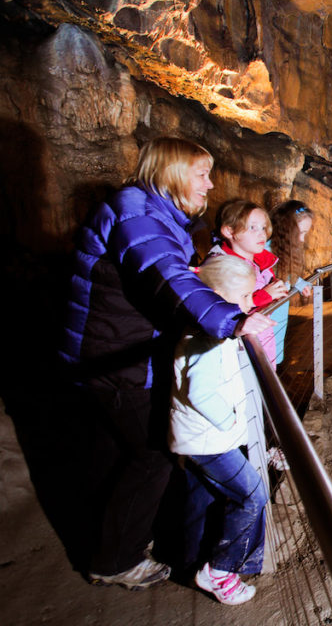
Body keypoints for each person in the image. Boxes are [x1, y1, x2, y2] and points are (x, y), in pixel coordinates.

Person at [61, 137, 274, 590]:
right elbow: (168, 275)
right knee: (154, 454)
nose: (209, 184)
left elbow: (170, 271)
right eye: (201, 174)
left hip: (110, 354)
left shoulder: (148, 214)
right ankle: (115, 558)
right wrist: (231, 318)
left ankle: (107, 542)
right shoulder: (135, 211)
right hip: (115, 357)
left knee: (112, 453)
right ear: (173, 172)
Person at [169, 255, 268, 605]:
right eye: (243, 297)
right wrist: (232, 424)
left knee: (203, 498)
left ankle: (190, 561)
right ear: (213, 294)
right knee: (252, 495)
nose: (248, 305)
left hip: (199, 437)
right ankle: (221, 570)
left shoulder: (210, 328)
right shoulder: (206, 337)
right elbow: (201, 392)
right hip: (209, 440)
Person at [208, 199, 289, 368]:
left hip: (263, 339)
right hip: (239, 351)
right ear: (229, 231)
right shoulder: (221, 267)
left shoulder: (261, 261)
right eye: (252, 227)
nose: (262, 234)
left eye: (263, 227)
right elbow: (219, 312)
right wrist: (264, 296)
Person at [268, 200, 314, 366]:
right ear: (286, 229)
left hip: (277, 322)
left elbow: (284, 275)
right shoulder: (265, 254)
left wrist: (300, 284)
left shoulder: (279, 250)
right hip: (266, 327)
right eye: (300, 233)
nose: (302, 239)